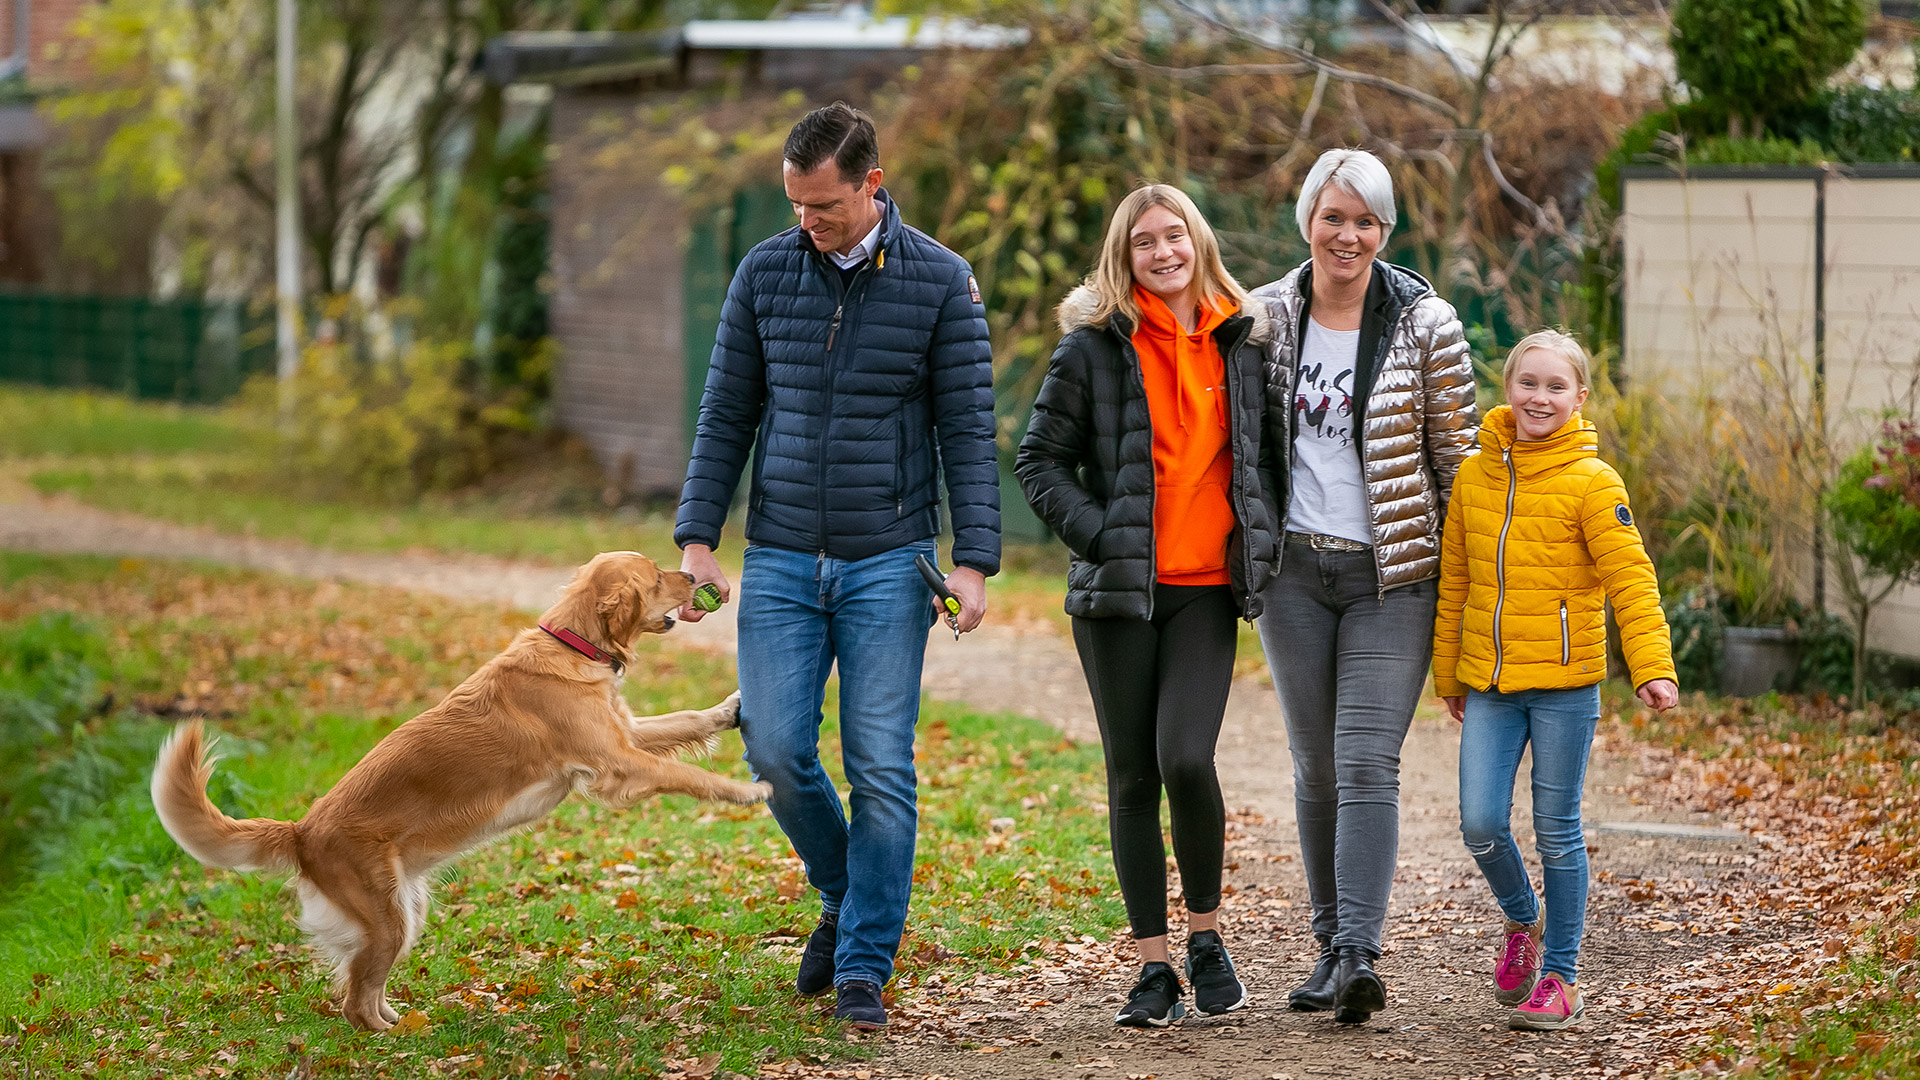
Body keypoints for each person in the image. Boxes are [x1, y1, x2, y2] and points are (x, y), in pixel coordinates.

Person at [673, 102, 1000, 1031]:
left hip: (888, 561)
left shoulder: (942, 281)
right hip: (778, 556)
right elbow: (725, 409)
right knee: (774, 747)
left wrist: (972, 560)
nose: (807, 223)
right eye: (796, 205)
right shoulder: (765, 271)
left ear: (872, 185)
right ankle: (842, 887)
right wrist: (698, 535)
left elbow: (968, 430)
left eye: (823, 206)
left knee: (880, 767)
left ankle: (863, 961)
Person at [1016, 184, 1281, 1028]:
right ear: (1122, 258)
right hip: (1116, 597)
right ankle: (1152, 967)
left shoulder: (1242, 342)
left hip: (1205, 590)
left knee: (1186, 761)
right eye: (1144, 243)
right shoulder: (1091, 349)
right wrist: (1102, 535)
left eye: (1175, 237)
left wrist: (1262, 542)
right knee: (1132, 777)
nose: (1163, 253)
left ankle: (1206, 939)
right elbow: (1038, 462)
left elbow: (1265, 460)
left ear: (1198, 242)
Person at [1250, 148, 1479, 1025]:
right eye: (1334, 216)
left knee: (1363, 759)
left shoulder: (1429, 324)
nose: (1349, 235)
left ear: (1385, 231)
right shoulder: (1264, 316)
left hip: (1396, 576)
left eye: (1366, 221)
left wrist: (1468, 605)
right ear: (1307, 218)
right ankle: (1324, 948)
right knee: (1314, 767)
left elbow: (1456, 464)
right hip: (1295, 574)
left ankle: (1357, 953)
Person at [1432, 329, 1679, 1031]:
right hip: (1492, 684)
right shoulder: (1475, 476)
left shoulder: (1594, 483)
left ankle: (1562, 977)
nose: (1540, 397)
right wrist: (1449, 670)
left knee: (1556, 831)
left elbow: (1631, 577)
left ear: (1580, 397)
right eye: (1527, 383)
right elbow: (1456, 582)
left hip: (1567, 685)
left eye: (1555, 386)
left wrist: (1651, 666)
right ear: (1506, 387)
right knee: (1479, 821)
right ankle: (1522, 919)